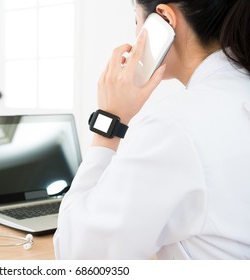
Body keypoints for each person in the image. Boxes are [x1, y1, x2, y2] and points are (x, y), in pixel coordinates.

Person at [54, 0, 250, 259]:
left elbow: (77, 256)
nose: (135, 35)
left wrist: (110, 119)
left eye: (137, 20)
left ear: (165, 20)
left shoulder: (174, 126)